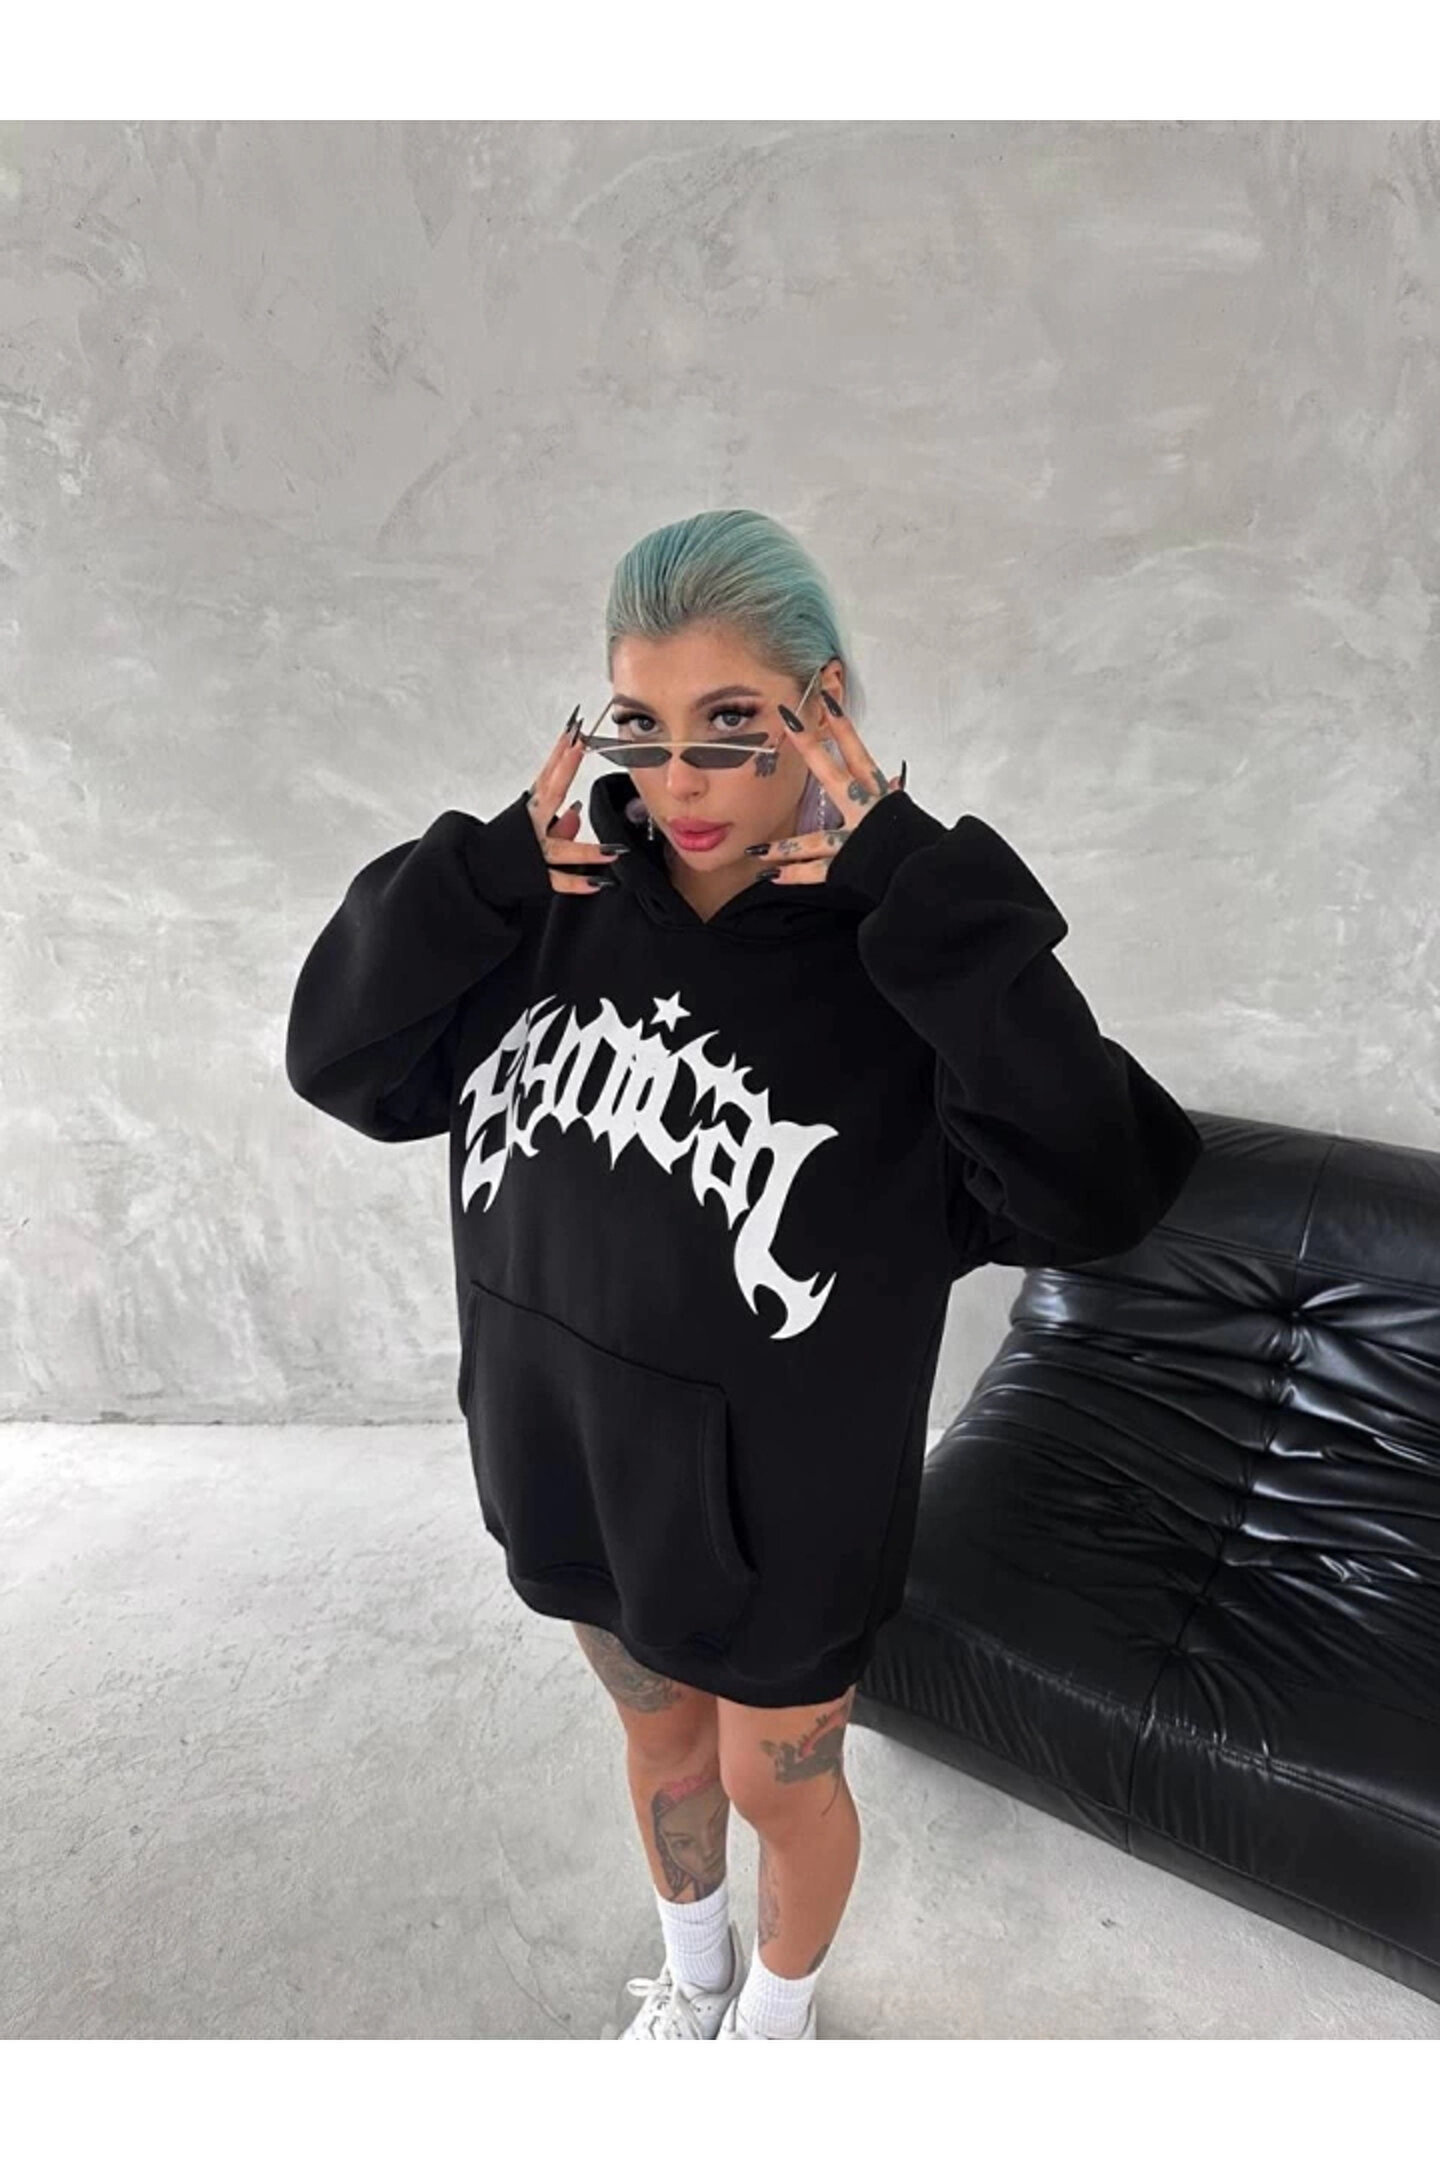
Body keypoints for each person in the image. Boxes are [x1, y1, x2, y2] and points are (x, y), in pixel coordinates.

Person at [284, 507, 1203, 2041]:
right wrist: (491, 870)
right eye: (640, 729)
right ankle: (696, 1979)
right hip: (568, 1471)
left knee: (780, 1785)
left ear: (823, 707)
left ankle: (775, 2029)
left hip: (786, 1530)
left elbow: (1094, 1183)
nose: (681, 782)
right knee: (660, 1751)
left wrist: (916, 879)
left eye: (730, 725)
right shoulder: (546, 904)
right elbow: (341, 1060)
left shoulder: (899, 958)